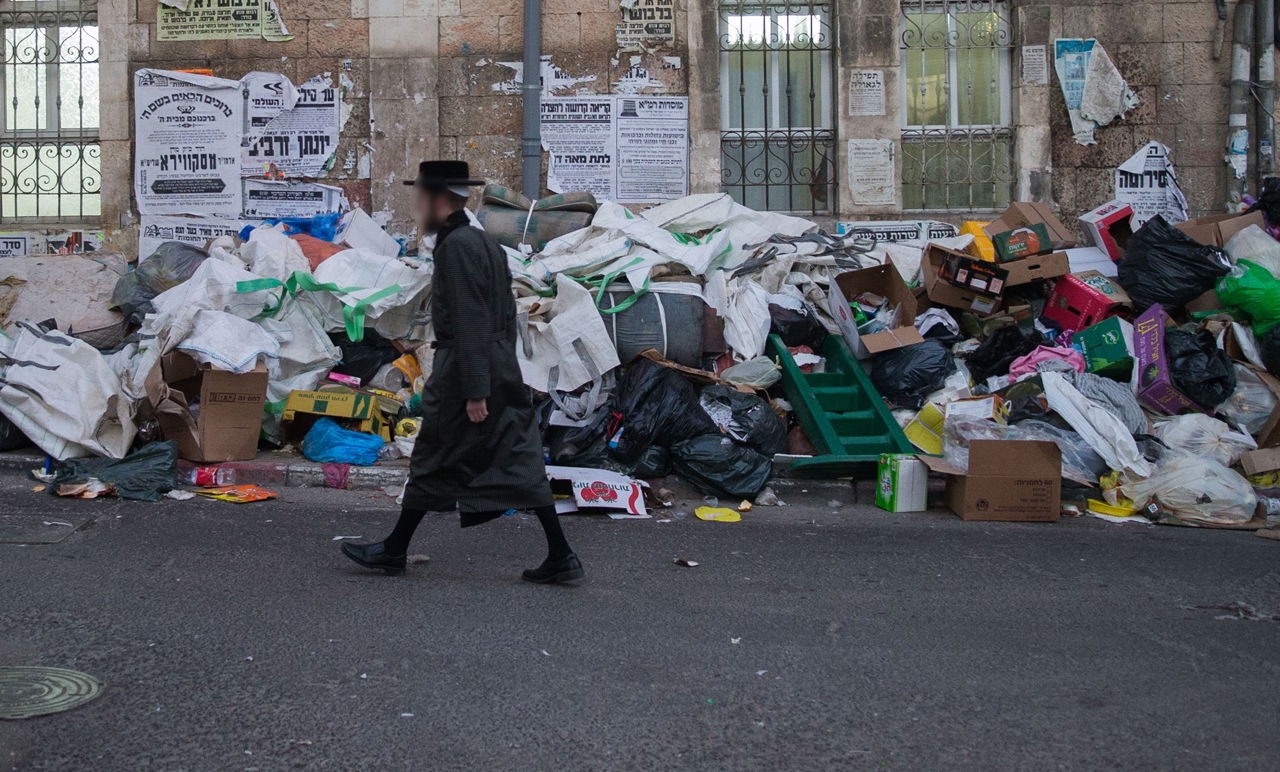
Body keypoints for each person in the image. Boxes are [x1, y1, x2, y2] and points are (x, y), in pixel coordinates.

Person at [341, 160, 584, 584]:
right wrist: (496, 370)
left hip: (466, 373)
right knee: (517, 460)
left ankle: (394, 551)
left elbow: (471, 319)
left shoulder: (455, 247)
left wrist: (475, 390)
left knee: (435, 456)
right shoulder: (483, 241)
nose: (417, 207)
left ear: (438, 200)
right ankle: (561, 556)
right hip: (497, 365)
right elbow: (503, 311)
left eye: (420, 199)